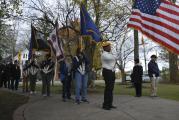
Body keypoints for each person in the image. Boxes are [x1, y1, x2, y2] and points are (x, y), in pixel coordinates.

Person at [101, 41, 116, 110]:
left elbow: (115, 58)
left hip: (112, 72)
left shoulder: (109, 54)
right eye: (109, 46)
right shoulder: (104, 54)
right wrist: (113, 54)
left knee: (111, 89)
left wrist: (113, 54)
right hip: (107, 71)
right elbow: (112, 58)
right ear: (105, 47)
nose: (110, 47)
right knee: (108, 88)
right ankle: (105, 105)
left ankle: (110, 103)